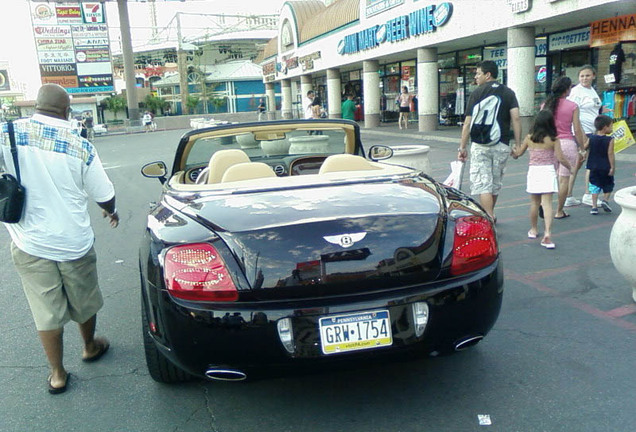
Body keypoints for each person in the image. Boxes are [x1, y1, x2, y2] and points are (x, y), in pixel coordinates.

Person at [0, 83, 119, 395]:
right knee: (84, 298)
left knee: (45, 308)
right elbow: (104, 194)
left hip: (29, 242)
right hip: (73, 242)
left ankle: (57, 373)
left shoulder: (6, 133)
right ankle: (90, 346)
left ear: (35, 106)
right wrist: (111, 211)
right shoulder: (80, 145)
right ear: (67, 110)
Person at [458, 60, 522, 221]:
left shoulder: (477, 93)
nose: (475, 77)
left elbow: (467, 123)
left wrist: (462, 147)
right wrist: (518, 144)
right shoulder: (508, 93)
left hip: (480, 144)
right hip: (501, 143)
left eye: (478, 73)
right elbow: (516, 118)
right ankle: (490, 215)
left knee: (483, 183)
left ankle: (489, 217)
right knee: (494, 183)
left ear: (488, 75)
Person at [512, 110, 571, 249]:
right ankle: (547, 233)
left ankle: (533, 229)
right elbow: (561, 157)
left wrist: (513, 151)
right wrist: (570, 167)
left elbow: (518, 154)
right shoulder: (553, 139)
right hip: (548, 171)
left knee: (534, 202)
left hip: (534, 171)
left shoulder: (529, 138)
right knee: (547, 204)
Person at [568, 65, 613, 206]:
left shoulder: (591, 90)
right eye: (582, 76)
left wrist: (602, 109)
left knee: (585, 163)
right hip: (583, 132)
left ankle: (572, 195)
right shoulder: (576, 92)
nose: (584, 78)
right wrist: (580, 134)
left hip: (592, 132)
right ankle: (583, 194)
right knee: (583, 163)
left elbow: (592, 107)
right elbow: (573, 113)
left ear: (593, 76)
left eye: (587, 75)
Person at [543, 76, 587, 219]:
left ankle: (544, 206)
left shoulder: (545, 105)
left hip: (549, 143)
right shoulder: (572, 106)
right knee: (564, 180)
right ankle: (559, 211)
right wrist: (582, 148)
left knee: (548, 177)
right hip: (567, 144)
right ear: (567, 89)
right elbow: (577, 129)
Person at [584, 115, 615, 215]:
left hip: (593, 166)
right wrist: (612, 167)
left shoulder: (591, 138)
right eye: (611, 126)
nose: (612, 128)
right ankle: (605, 200)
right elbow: (610, 153)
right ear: (605, 127)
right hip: (605, 166)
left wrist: (582, 152)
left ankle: (594, 207)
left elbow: (585, 147)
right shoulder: (610, 139)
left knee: (594, 185)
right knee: (608, 184)